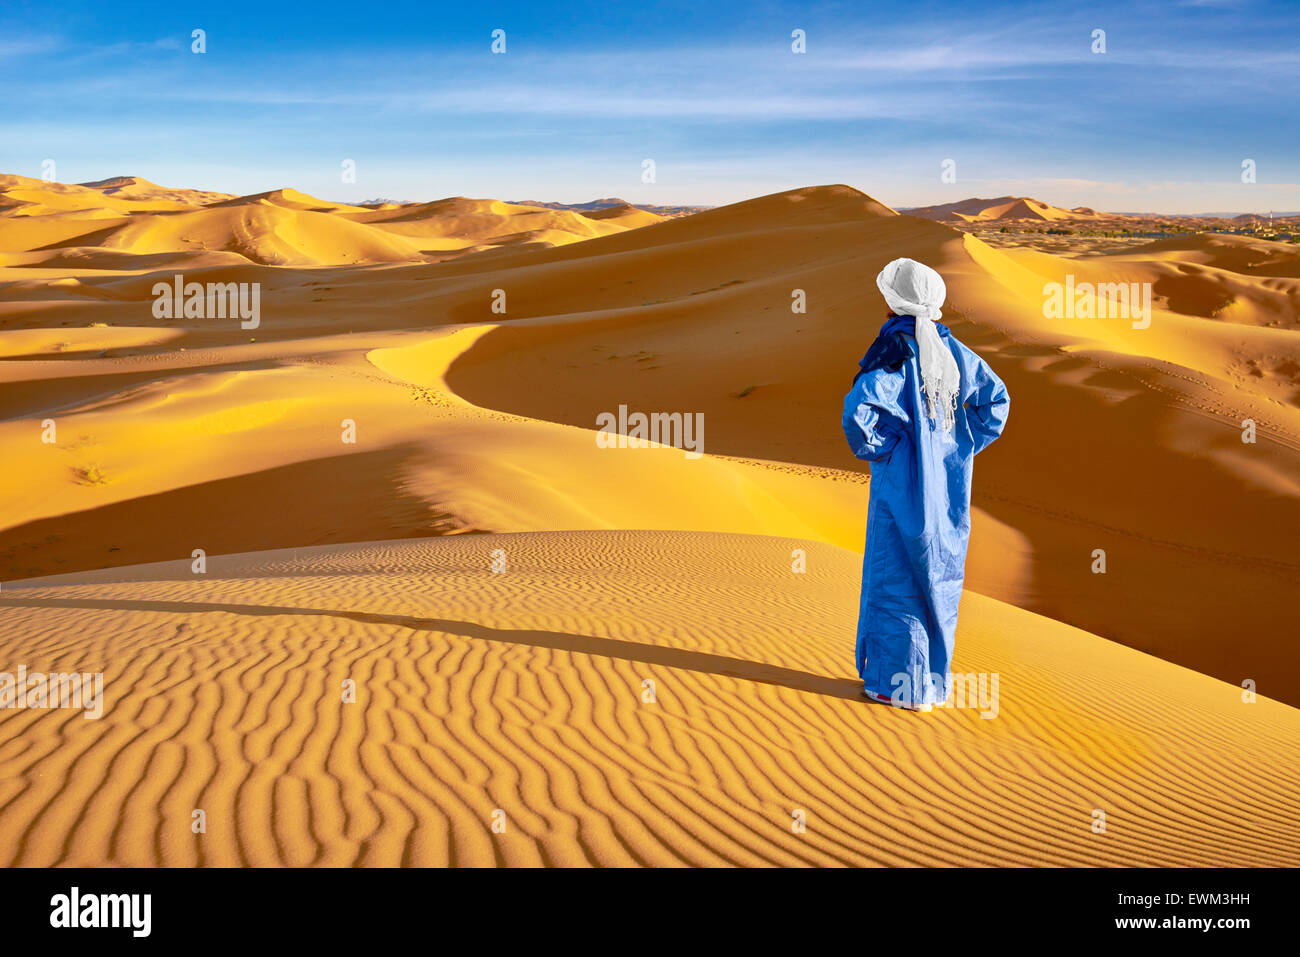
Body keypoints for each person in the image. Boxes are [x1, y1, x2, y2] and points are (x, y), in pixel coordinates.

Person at [842, 258, 1009, 711]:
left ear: (895, 300)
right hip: (949, 489)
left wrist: (892, 450)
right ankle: (930, 687)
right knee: (939, 580)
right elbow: (996, 402)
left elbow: (859, 415)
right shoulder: (956, 353)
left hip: (901, 488)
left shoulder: (895, 351)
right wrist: (956, 447)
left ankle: (895, 687)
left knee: (895, 578)